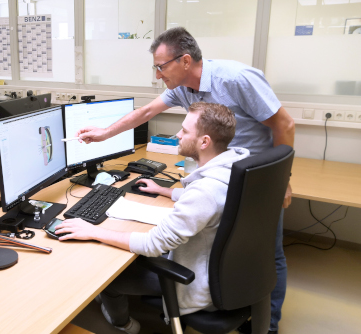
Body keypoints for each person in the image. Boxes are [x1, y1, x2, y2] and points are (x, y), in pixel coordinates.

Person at [75, 27, 294, 334]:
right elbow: (146, 111)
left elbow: (284, 124)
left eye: (161, 67)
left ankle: (266, 325)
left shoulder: (236, 78)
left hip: (257, 177)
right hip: (224, 176)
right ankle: (235, 303)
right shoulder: (183, 87)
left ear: (185, 61)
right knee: (229, 244)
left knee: (268, 252)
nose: (157, 75)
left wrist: (281, 180)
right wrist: (103, 134)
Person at [56, 102, 250, 334]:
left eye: (185, 131)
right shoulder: (234, 165)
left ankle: (123, 325)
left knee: (108, 279)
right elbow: (206, 200)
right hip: (225, 271)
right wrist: (167, 191)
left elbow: (152, 244)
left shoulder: (205, 192)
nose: (177, 135)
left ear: (204, 142)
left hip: (197, 281)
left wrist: (93, 230)